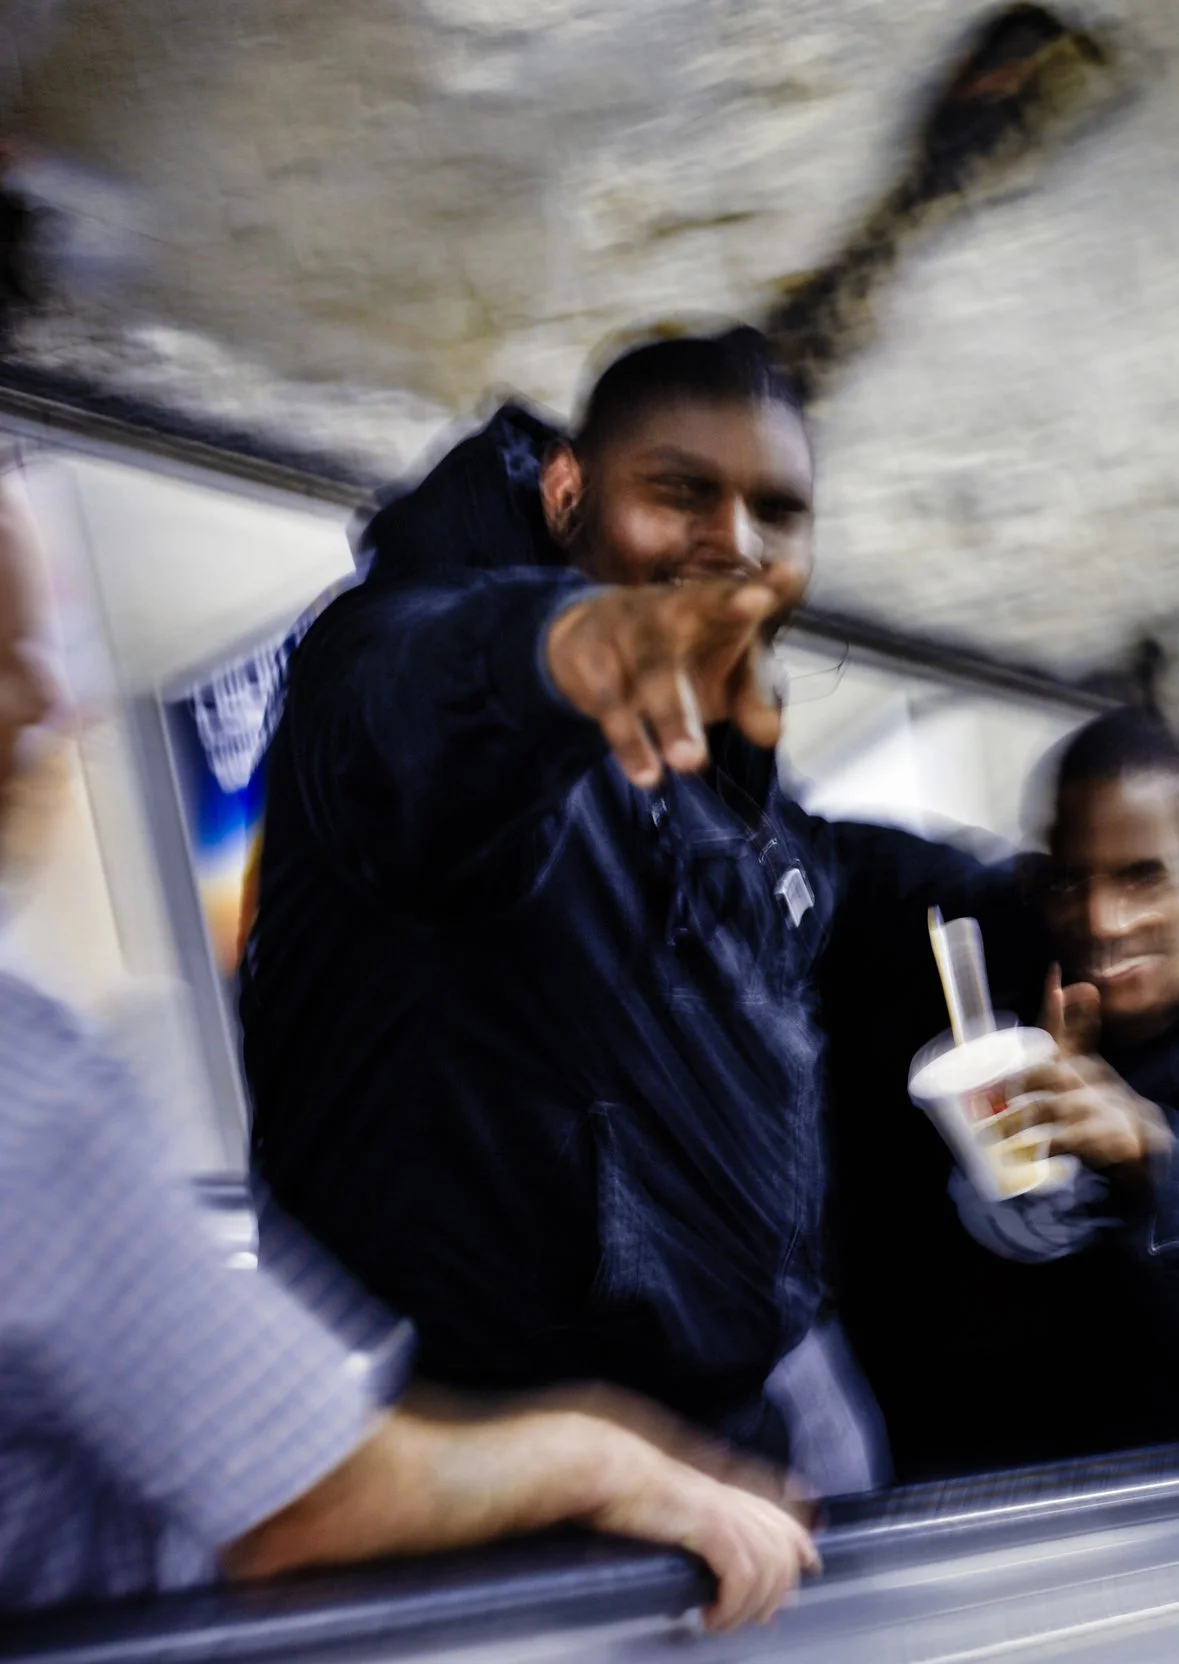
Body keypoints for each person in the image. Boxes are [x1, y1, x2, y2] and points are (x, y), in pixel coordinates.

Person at [0, 456, 815, 1624]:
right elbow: (310, 1501)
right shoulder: (29, 1082)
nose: (53, 704)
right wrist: (617, 1461)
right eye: (13, 654)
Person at [243, 327, 898, 1470]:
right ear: (566, 491)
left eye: (776, 513)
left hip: (721, 1450)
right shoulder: (395, 649)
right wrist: (557, 649)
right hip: (468, 1490)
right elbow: (415, 724)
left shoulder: (741, 782)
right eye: (679, 492)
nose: (734, 547)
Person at [820, 709, 1179, 1480]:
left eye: (1142, 876)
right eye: (1071, 880)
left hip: (1135, 1488)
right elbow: (796, 851)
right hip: (926, 1477)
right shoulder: (978, 921)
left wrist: (1148, 1149)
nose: (1103, 921)